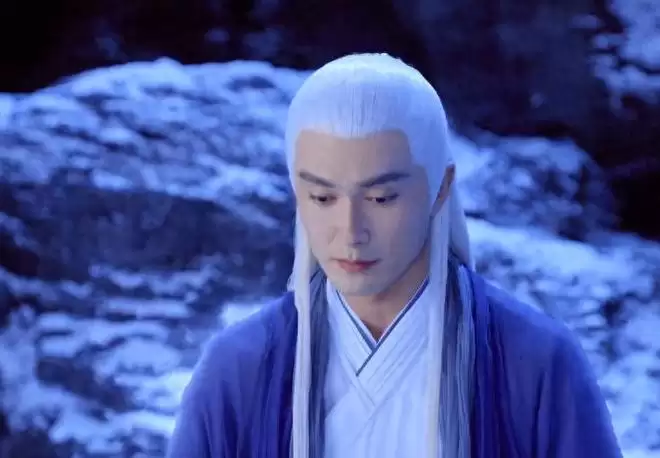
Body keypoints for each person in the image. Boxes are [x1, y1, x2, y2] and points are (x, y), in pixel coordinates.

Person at [166, 53, 622, 458]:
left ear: (441, 188)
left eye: (381, 198)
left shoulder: (535, 362)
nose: (351, 231)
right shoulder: (239, 368)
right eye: (322, 198)